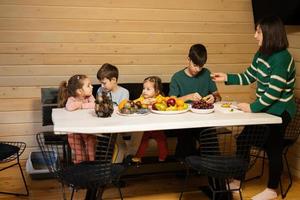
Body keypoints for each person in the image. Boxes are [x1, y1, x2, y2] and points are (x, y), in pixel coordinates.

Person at [212, 16, 296, 200]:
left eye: (258, 31)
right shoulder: (261, 53)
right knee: (243, 139)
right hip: (264, 109)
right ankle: (237, 180)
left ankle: (272, 190)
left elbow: (274, 93)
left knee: (274, 147)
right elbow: (249, 76)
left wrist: (252, 108)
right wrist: (227, 77)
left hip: (280, 111)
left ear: (270, 34)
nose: (254, 35)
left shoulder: (282, 58)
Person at [169, 43, 221, 159]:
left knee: (211, 142)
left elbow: (218, 96)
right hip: (184, 120)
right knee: (186, 143)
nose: (197, 69)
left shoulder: (207, 73)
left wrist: (214, 98)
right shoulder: (177, 77)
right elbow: (171, 101)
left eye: (201, 66)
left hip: (204, 119)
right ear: (188, 59)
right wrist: (188, 97)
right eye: (195, 65)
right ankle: (185, 166)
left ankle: (213, 172)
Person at [97, 63, 132, 163]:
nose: (102, 86)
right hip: (103, 125)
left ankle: (114, 171)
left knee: (120, 147)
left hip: (117, 126)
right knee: (116, 146)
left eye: (104, 83)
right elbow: (99, 108)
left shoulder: (124, 92)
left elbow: (123, 111)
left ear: (114, 80)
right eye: (101, 83)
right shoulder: (101, 90)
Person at [57, 74, 96, 164]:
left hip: (88, 130)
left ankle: (92, 166)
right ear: (79, 91)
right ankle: (80, 168)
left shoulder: (90, 97)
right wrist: (82, 105)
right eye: (88, 85)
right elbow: (69, 107)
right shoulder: (71, 99)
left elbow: (94, 105)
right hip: (74, 132)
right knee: (80, 155)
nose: (92, 87)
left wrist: (81, 105)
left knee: (91, 150)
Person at [132, 76, 168, 163]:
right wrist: (141, 102)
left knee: (162, 141)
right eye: (144, 88)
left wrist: (156, 101)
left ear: (157, 91)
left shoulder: (159, 98)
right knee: (143, 141)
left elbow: (166, 103)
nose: (144, 91)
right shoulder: (142, 98)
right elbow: (132, 103)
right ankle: (138, 156)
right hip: (145, 126)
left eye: (148, 89)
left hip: (157, 126)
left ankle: (163, 157)